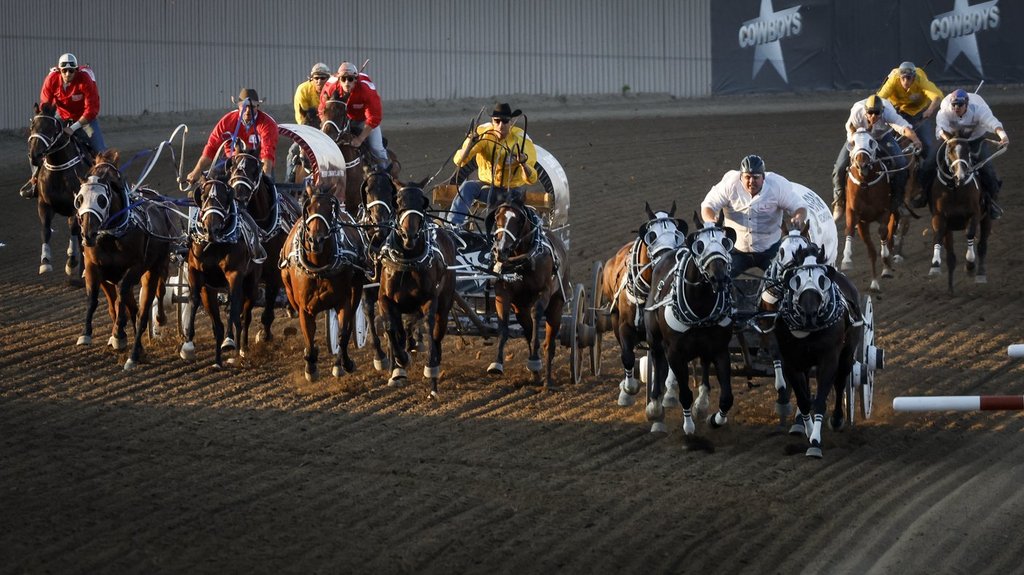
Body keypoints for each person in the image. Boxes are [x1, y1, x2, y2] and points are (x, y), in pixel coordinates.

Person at [700, 155, 808, 278]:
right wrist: (711, 220)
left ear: (763, 178)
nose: (751, 182)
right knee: (718, 279)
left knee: (785, 280)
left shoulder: (777, 186)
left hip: (771, 249)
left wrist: (798, 217)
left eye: (756, 177)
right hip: (736, 250)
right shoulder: (729, 185)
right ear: (741, 177)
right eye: (747, 177)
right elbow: (708, 205)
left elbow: (800, 207)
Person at [21, 52, 105, 198]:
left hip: (85, 118)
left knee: (101, 151)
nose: (67, 74)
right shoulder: (51, 79)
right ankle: (35, 181)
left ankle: (108, 183)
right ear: (59, 70)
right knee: (38, 143)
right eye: (64, 70)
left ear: (76, 70)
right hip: (61, 115)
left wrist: (73, 128)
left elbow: (92, 110)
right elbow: (46, 105)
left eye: (71, 70)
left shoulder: (85, 79)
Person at [831, 94, 923, 221]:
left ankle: (898, 200)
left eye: (877, 113)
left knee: (901, 163)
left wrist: (916, 140)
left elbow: (904, 127)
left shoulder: (889, 113)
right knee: (840, 167)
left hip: (882, 137)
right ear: (865, 111)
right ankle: (839, 201)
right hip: (859, 137)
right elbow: (852, 134)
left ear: (882, 111)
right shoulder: (857, 112)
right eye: (870, 112)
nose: (873, 116)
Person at [448, 103, 538, 228]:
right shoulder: (483, 134)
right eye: (497, 121)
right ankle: (453, 226)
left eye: (505, 121)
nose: (501, 125)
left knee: (502, 210)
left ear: (511, 122)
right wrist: (470, 144)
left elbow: (531, 178)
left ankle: (500, 235)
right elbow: (459, 161)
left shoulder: (521, 140)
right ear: (492, 121)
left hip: (511, 192)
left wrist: (523, 163)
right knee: (467, 187)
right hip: (486, 187)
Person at [934, 88, 1010, 219]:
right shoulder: (945, 109)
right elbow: (940, 127)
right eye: (954, 104)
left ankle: (992, 203)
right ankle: (923, 194)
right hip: (951, 139)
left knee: (988, 170)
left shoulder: (979, 109)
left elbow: (993, 122)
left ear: (967, 104)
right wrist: (950, 141)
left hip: (975, 140)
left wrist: (1003, 136)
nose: (956, 107)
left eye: (960, 105)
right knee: (931, 162)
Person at [877, 61, 944, 207]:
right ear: (899, 77)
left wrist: (929, 111)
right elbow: (879, 99)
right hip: (897, 113)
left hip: (918, 114)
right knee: (887, 144)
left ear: (914, 76)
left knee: (926, 146)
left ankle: (926, 181)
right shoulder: (893, 79)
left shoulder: (920, 78)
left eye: (910, 78)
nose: (907, 81)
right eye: (904, 78)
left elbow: (937, 96)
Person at [185, 88, 279, 184]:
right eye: (244, 106)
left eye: (252, 107)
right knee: (211, 179)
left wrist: (266, 175)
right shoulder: (227, 122)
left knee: (268, 188)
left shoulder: (267, 124)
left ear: (257, 107)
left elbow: (267, 151)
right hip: (231, 161)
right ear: (238, 106)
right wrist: (196, 171)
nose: (247, 111)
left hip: (256, 163)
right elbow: (212, 147)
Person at [317, 61, 389, 171]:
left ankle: (385, 174)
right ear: (338, 79)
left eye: (350, 79)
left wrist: (360, 139)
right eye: (343, 79)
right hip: (341, 119)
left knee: (376, 149)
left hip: (363, 120)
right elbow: (322, 110)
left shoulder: (366, 89)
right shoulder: (330, 87)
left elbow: (374, 117)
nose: (347, 83)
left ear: (356, 79)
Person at [285, 62, 331, 182]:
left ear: (328, 79)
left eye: (323, 78)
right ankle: (288, 185)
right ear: (311, 79)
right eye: (316, 78)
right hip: (309, 126)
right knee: (293, 151)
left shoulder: (333, 90)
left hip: (329, 127)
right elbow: (302, 118)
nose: (319, 81)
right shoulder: (303, 90)